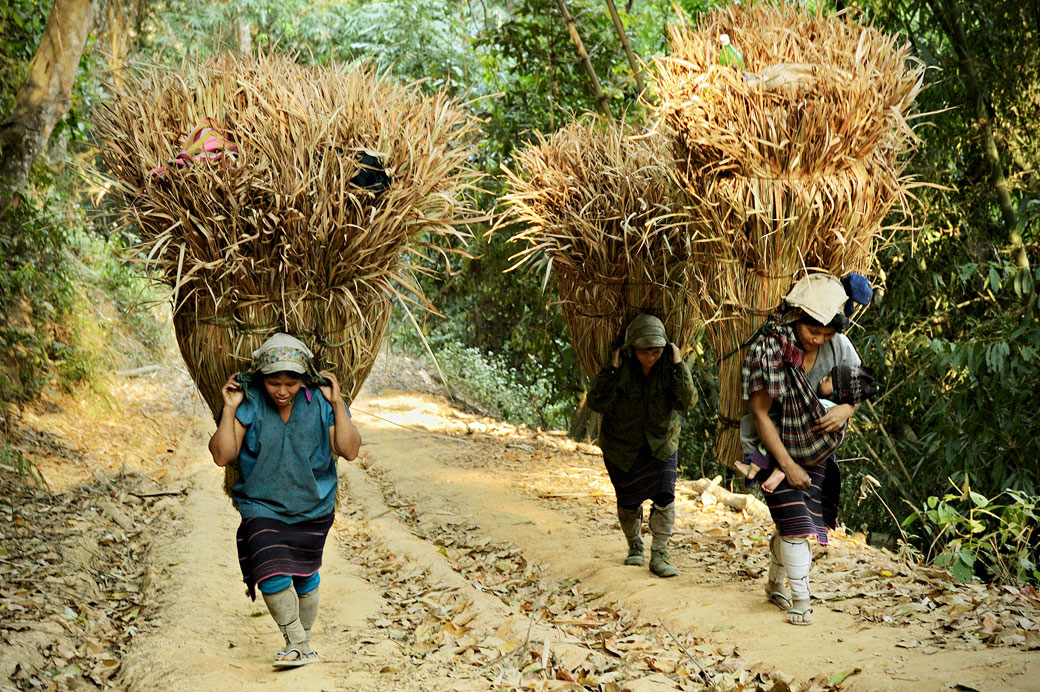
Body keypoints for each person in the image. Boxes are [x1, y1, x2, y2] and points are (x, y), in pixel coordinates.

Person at [208, 333, 361, 667]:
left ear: (303, 378)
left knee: (305, 575)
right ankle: (297, 641)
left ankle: (299, 647)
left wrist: (337, 403)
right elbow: (222, 455)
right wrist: (229, 408)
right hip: (262, 505)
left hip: (314, 504)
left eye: (290, 382)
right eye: (273, 382)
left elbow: (349, 449)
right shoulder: (248, 403)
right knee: (272, 571)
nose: (281, 390)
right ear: (261, 379)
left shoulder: (322, 402)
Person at [739, 273, 865, 625]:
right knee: (797, 525)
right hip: (770, 448)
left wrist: (845, 409)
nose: (819, 340)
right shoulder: (767, 349)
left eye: (827, 334)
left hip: (815, 449)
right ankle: (801, 601)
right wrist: (786, 465)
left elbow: (859, 385)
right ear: (796, 319)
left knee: (796, 522)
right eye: (813, 332)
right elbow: (760, 414)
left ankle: (775, 583)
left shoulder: (839, 344)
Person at [586, 314, 697, 578]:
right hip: (622, 447)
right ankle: (634, 545)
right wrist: (612, 368)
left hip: (662, 443)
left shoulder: (669, 366)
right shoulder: (621, 368)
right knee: (628, 499)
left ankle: (660, 553)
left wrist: (678, 362)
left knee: (665, 496)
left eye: (656, 350)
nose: (651, 356)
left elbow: (687, 402)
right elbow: (596, 403)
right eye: (645, 351)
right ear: (631, 349)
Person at [735, 362, 876, 491]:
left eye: (827, 380)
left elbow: (803, 422)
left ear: (837, 394)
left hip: (801, 440)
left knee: (773, 434)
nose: (822, 379)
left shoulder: (824, 407)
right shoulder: (835, 409)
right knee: (790, 450)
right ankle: (779, 472)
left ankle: (753, 468)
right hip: (810, 452)